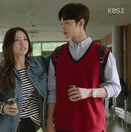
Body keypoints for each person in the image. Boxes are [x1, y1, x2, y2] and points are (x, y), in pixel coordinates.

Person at [46, 3, 121, 132]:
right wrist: (49, 122)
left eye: (67, 22)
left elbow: (115, 87)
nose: (63, 27)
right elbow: (52, 92)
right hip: (63, 124)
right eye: (61, 23)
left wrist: (90, 92)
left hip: (93, 125)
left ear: (81, 23)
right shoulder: (57, 55)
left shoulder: (103, 54)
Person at [0, 27, 49, 132]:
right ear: (9, 45)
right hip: (10, 126)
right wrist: (2, 107)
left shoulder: (39, 63)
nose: (23, 43)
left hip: (35, 124)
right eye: (17, 40)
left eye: (25, 39)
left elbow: (60, 57)